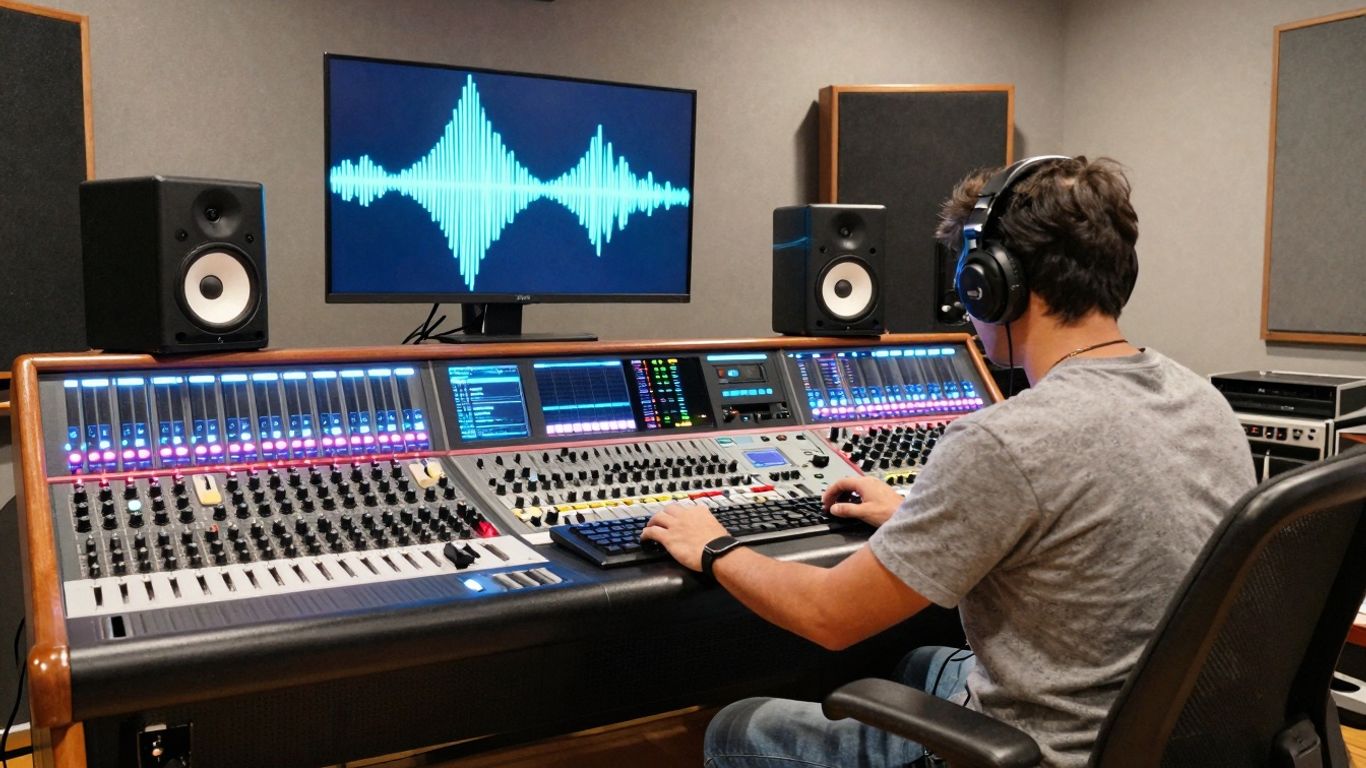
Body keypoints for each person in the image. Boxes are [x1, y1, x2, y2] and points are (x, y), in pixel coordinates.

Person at [640, 156, 1256, 767]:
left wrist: (715, 546)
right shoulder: (1202, 400)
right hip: (1169, 733)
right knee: (919, 663)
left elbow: (826, 615)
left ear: (996, 283)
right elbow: (1088, 525)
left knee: (736, 727)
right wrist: (915, 513)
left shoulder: (1005, 441)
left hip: (1038, 754)